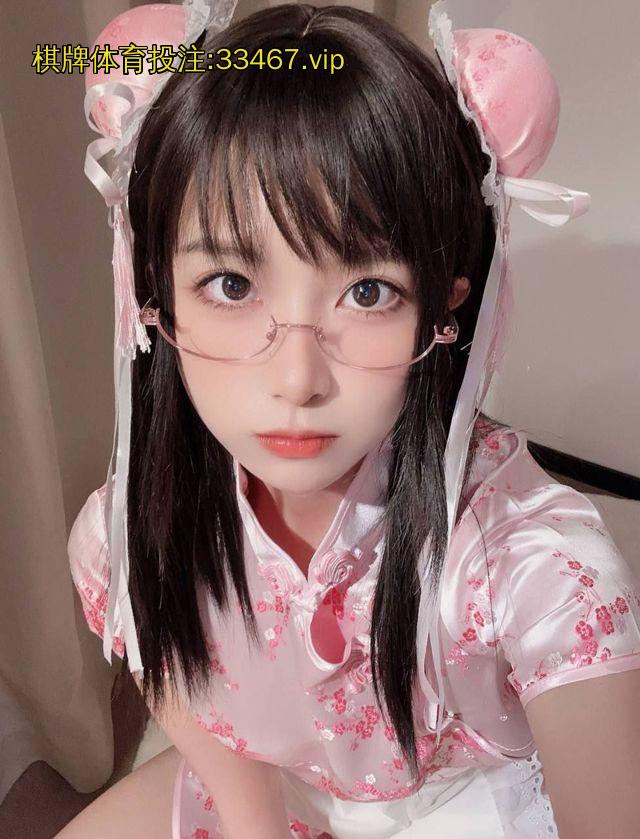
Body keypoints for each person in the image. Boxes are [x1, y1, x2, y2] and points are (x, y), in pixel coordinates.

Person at [60, 2, 640, 837]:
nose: (296, 379)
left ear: (444, 305)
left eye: (368, 291)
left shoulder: (537, 572)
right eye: (231, 284)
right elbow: (180, 676)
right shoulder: (126, 530)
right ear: (156, 293)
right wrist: (257, 824)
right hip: (281, 792)